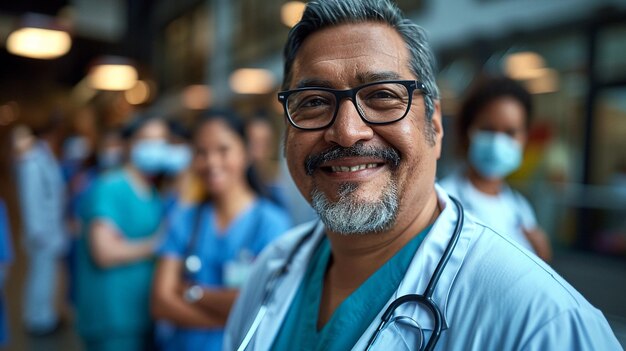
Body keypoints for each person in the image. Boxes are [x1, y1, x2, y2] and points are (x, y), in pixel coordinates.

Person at [223, 1, 621, 350]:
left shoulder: (544, 323)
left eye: (381, 95)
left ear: (434, 124)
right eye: (313, 102)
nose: (346, 131)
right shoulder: (272, 269)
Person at [151, 109, 291, 351]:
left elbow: (270, 304)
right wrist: (232, 319)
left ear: (247, 153)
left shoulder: (271, 223)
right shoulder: (184, 219)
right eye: (201, 153)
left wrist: (193, 293)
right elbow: (161, 302)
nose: (211, 162)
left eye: (223, 150)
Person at [75, 114, 174, 351]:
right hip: (113, 317)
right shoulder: (111, 186)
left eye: (161, 141)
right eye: (147, 140)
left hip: (139, 312)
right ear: (128, 144)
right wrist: (158, 244)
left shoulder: (150, 190)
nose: (155, 148)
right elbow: (103, 251)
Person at [439, 76, 552, 261]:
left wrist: (542, 256)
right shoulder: (442, 201)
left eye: (510, 132)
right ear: (468, 132)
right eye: (488, 129)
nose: (498, 143)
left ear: (524, 138)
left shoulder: (520, 209)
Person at [13, 123, 68, 336]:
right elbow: (32, 200)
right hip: (42, 232)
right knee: (41, 276)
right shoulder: (32, 164)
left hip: (48, 229)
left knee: (44, 276)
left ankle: (42, 315)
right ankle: (39, 319)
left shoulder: (42, 159)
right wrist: (38, 231)